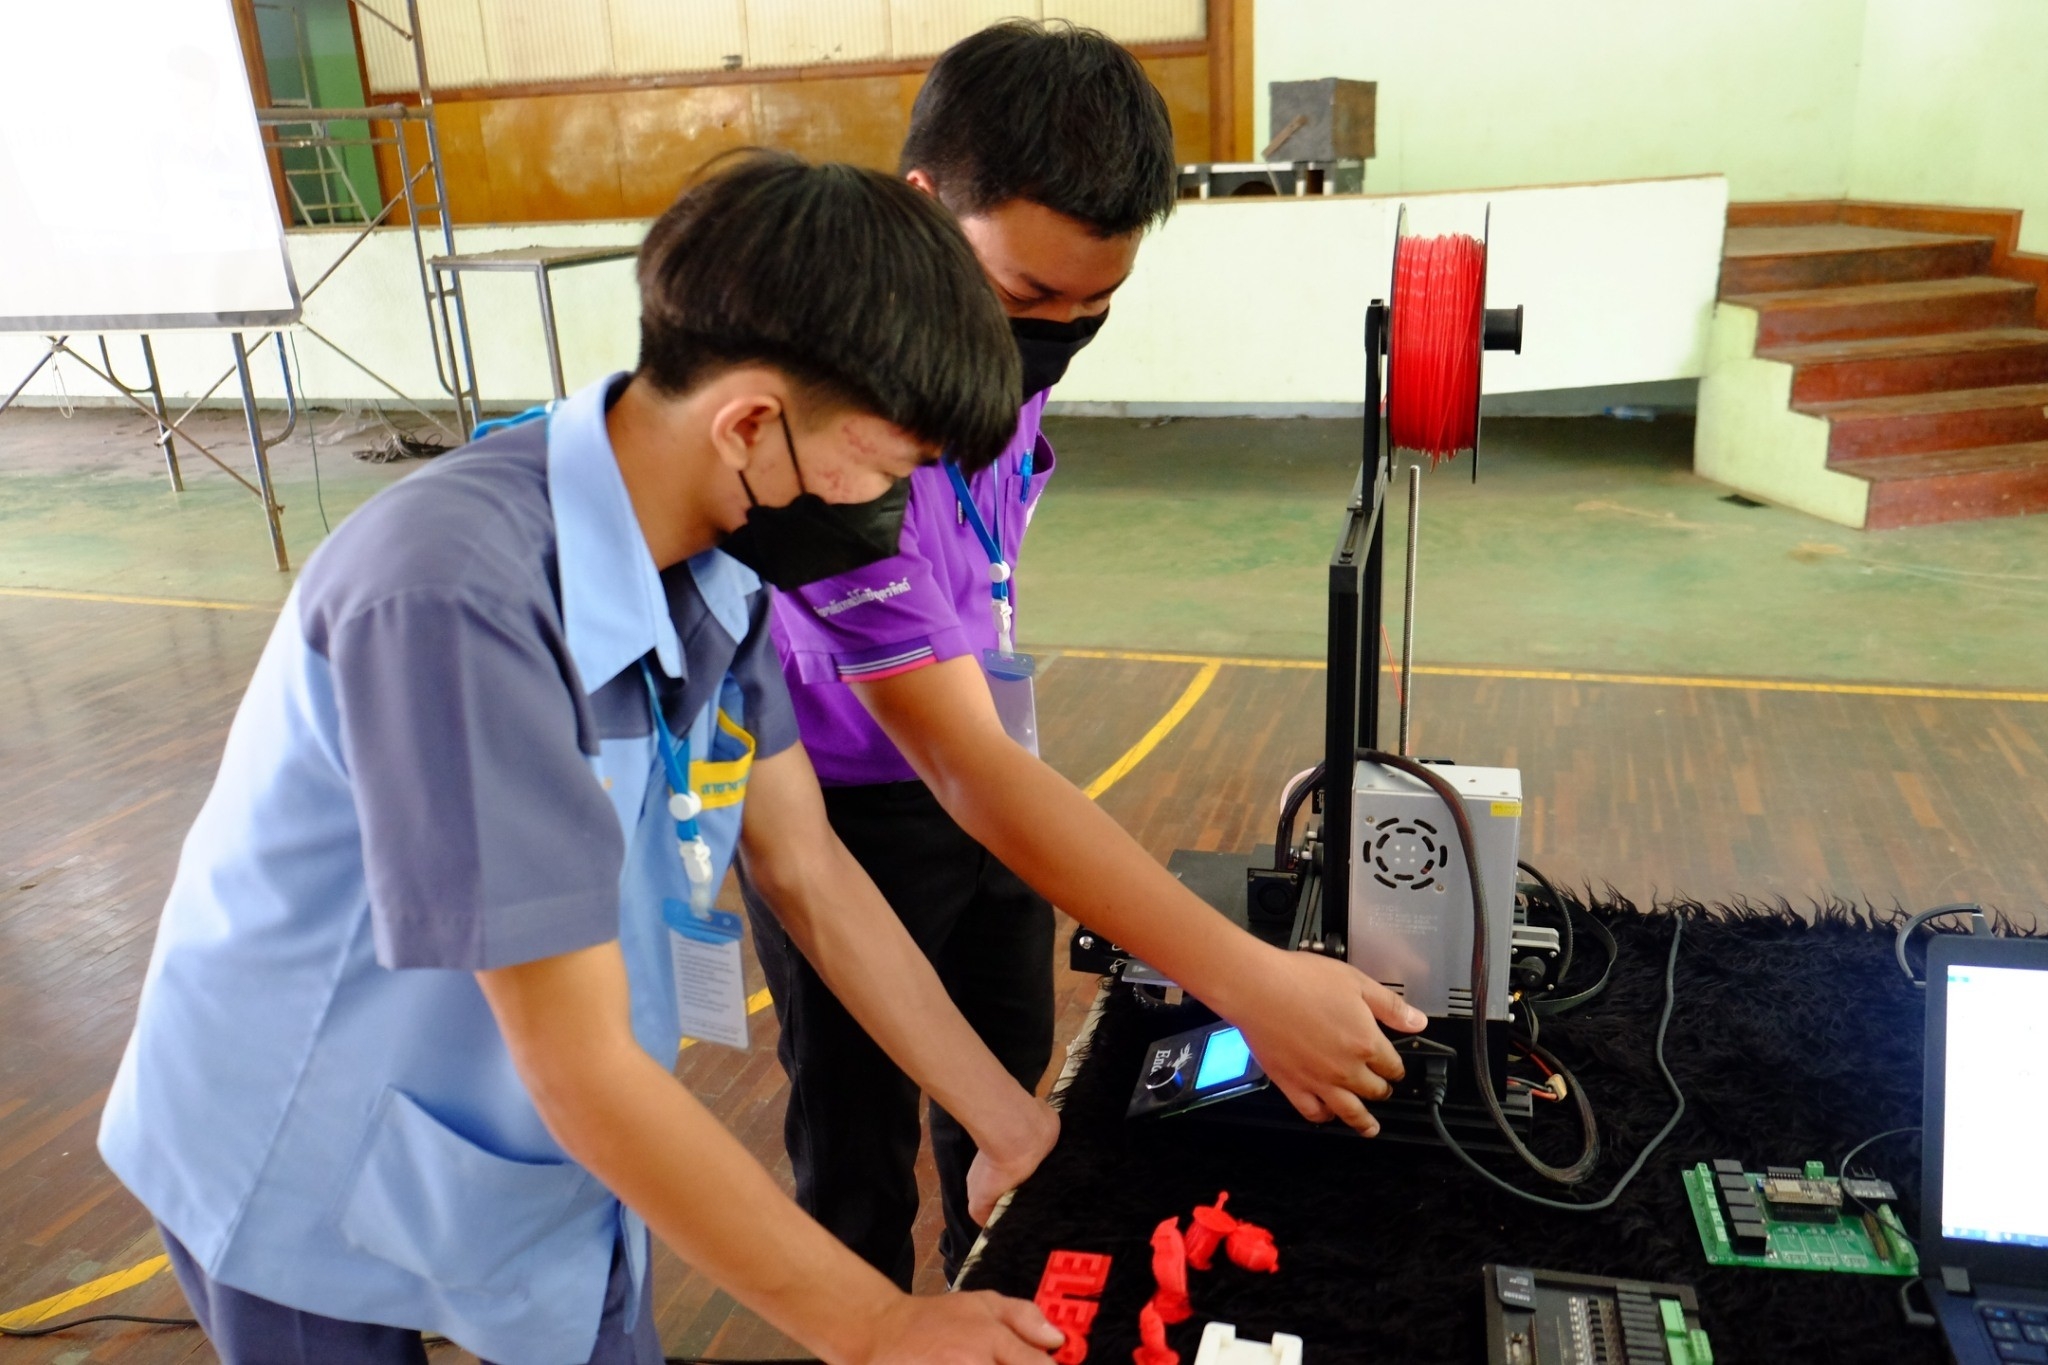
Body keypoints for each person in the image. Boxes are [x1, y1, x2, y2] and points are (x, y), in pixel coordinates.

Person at [97, 153, 1069, 1365]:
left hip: (536, 1139)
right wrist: (873, 1324)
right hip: (304, 1127)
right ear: (751, 423)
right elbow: (575, 1061)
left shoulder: (725, 578)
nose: (878, 505)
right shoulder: (451, 598)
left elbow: (808, 871)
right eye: (876, 468)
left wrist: (1005, 1124)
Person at [744, 21, 1428, 1289]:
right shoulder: (832, 456)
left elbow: (981, 761)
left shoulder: (999, 357)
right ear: (923, 216)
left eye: (1093, 304)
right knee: (850, 1151)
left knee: (1006, 1102)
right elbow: (950, 770)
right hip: (847, 805)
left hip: (987, 762)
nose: (1054, 333)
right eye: (1025, 299)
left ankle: (980, 1295)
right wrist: (1249, 986)